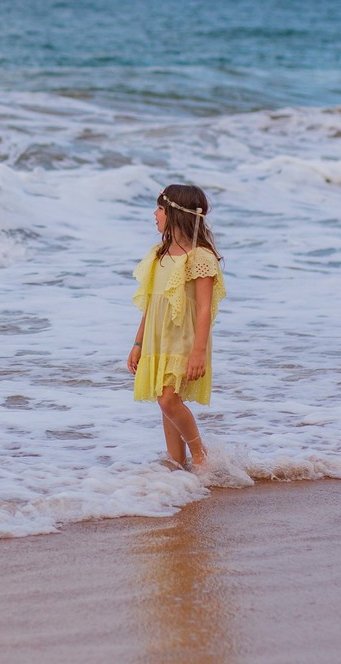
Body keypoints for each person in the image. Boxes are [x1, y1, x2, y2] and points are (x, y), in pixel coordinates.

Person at [127, 184, 226, 471]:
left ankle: (201, 456)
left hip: (185, 340)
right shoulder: (159, 253)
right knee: (165, 401)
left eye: (159, 208)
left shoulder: (200, 258)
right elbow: (151, 303)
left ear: (175, 213)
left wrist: (198, 352)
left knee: (169, 400)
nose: (154, 213)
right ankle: (176, 464)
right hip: (158, 340)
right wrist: (137, 344)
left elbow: (205, 308)